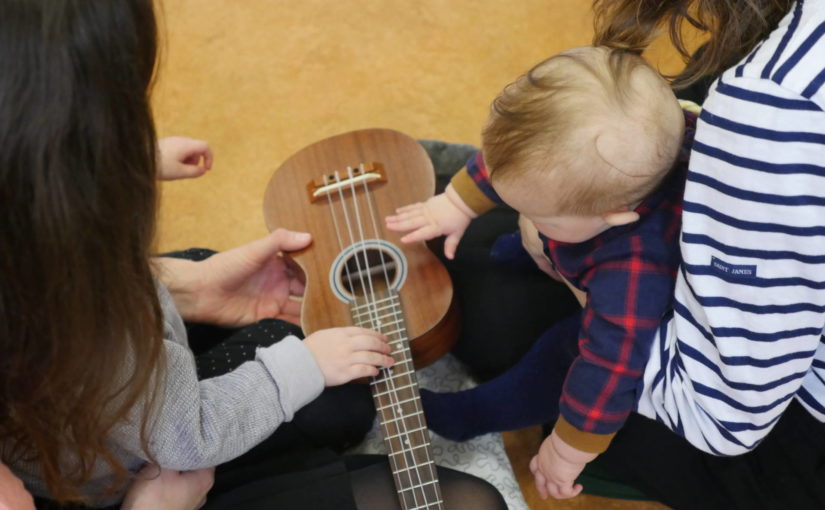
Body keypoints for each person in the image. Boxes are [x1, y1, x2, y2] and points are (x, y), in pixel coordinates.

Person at [0, 1, 507, 509]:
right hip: (138, 469)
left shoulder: (38, 246)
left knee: (340, 367)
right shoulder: (97, 326)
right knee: (465, 496)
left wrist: (127, 168)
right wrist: (301, 367)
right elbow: (188, 434)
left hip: (109, 401)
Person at [387, 45, 699, 498]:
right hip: (577, 234)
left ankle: (474, 414)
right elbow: (510, 157)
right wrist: (453, 205)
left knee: (561, 355)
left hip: (619, 324)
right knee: (519, 211)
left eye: (538, 214)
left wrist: (569, 450)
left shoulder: (634, 272)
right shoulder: (582, 164)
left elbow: (607, 371)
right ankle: (540, 249)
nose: (525, 213)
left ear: (614, 217)